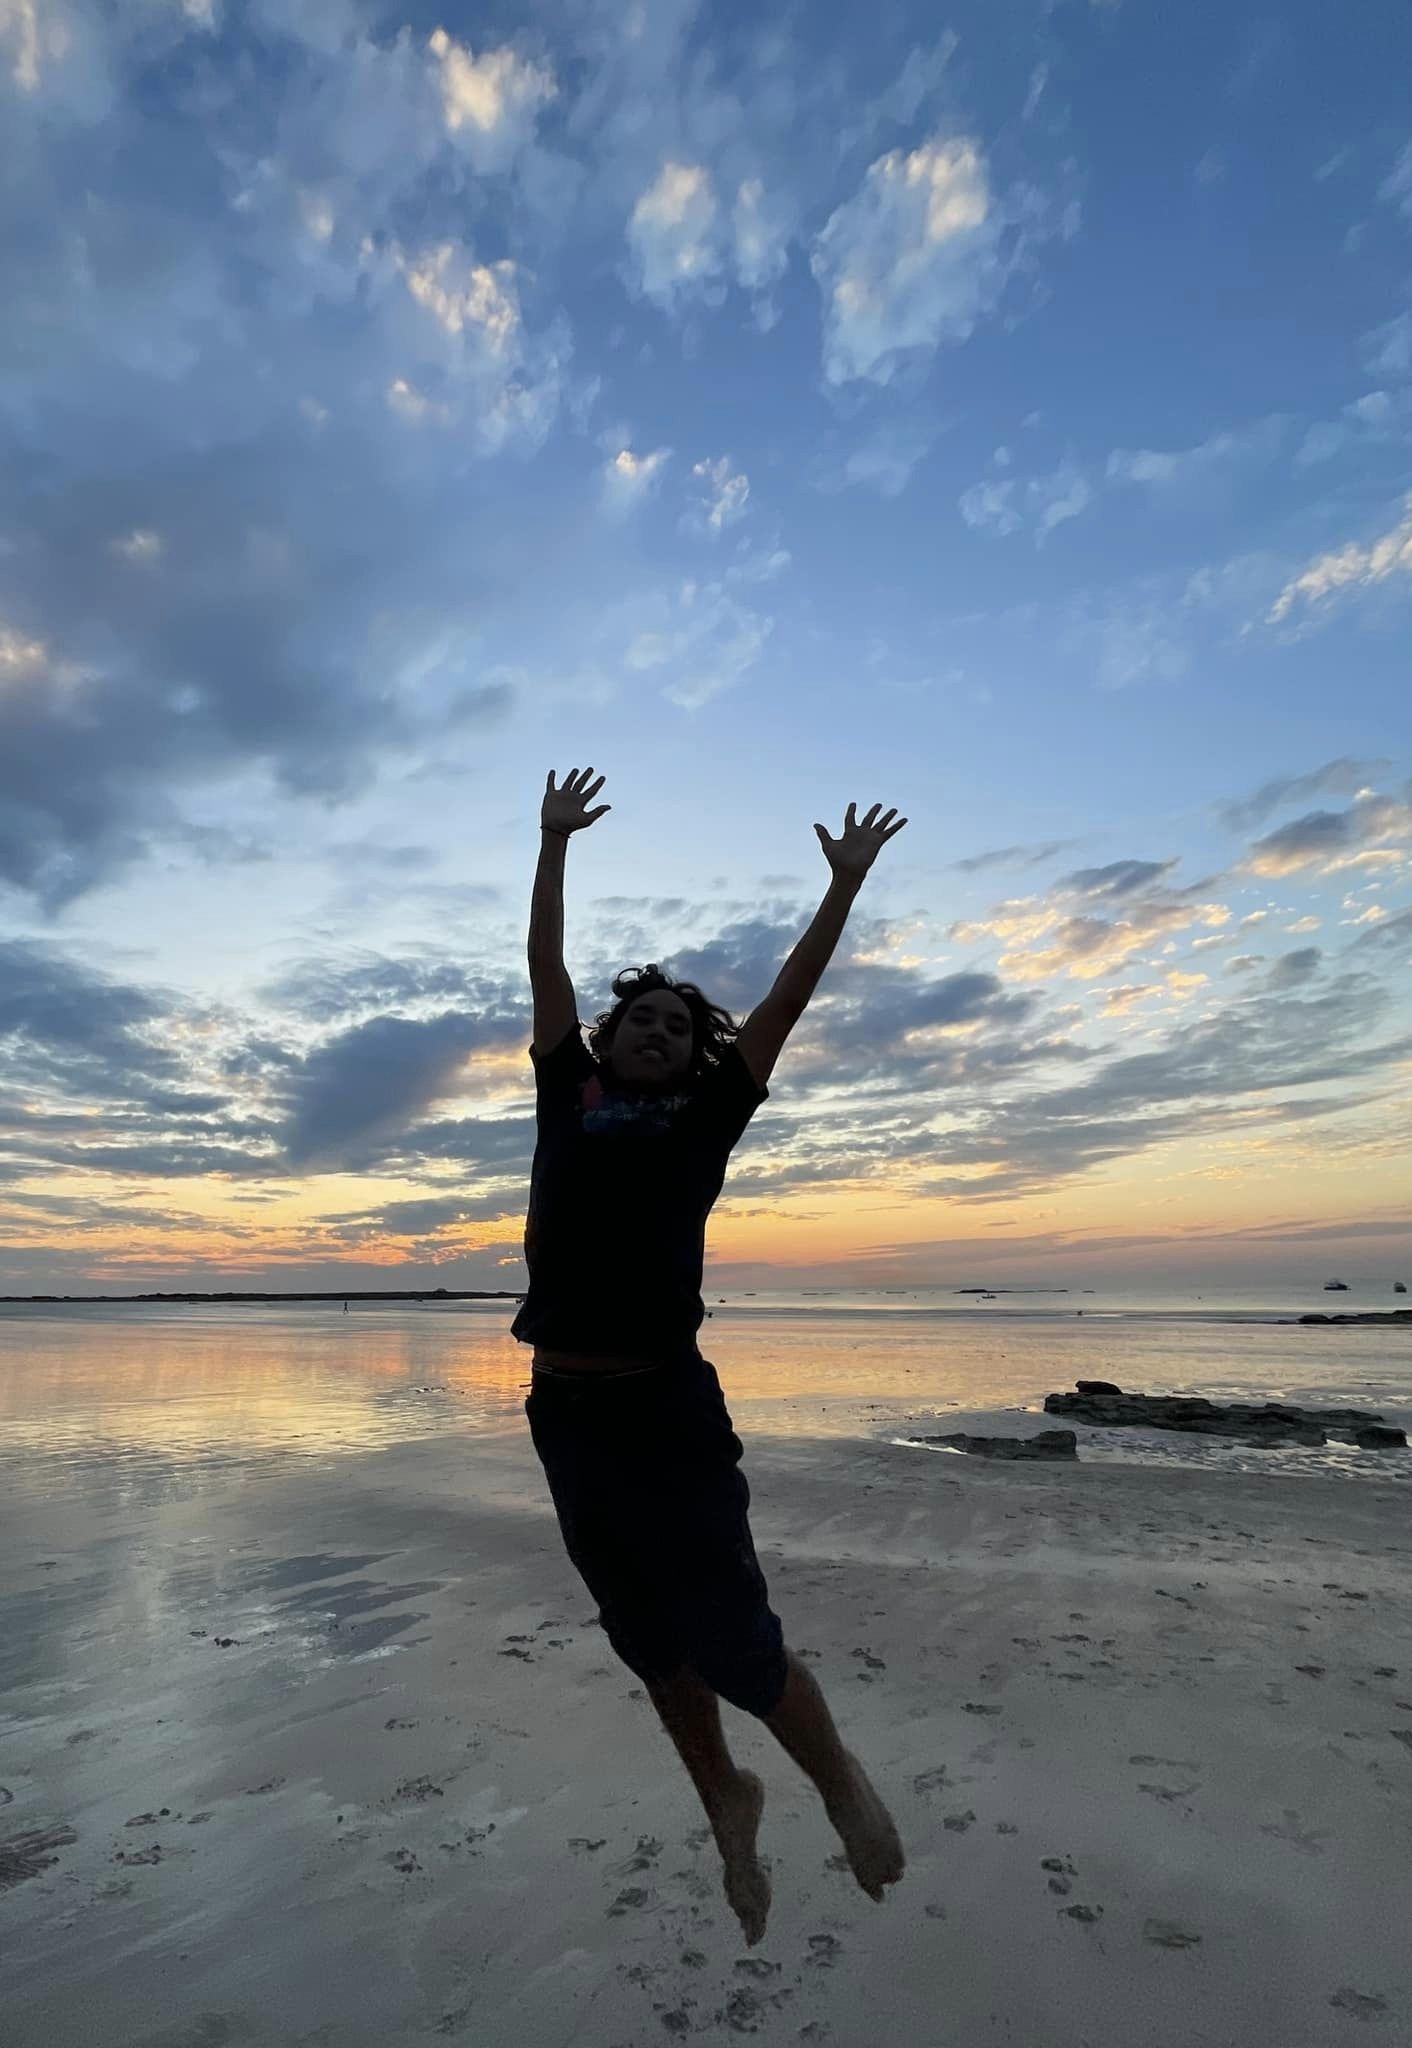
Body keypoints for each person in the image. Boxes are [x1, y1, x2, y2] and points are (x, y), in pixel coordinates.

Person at [513, 766, 907, 1946]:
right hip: (564, 1415)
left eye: (676, 1026)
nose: (653, 1029)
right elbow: (546, 971)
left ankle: (834, 1779)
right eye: (639, 1017)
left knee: (734, 1639)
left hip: (665, 1413)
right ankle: (724, 1793)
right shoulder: (564, 1101)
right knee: (645, 1638)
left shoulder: (703, 1119)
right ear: (608, 1036)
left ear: (694, 1056)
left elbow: (787, 999)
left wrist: (838, 891)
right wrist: (551, 845)